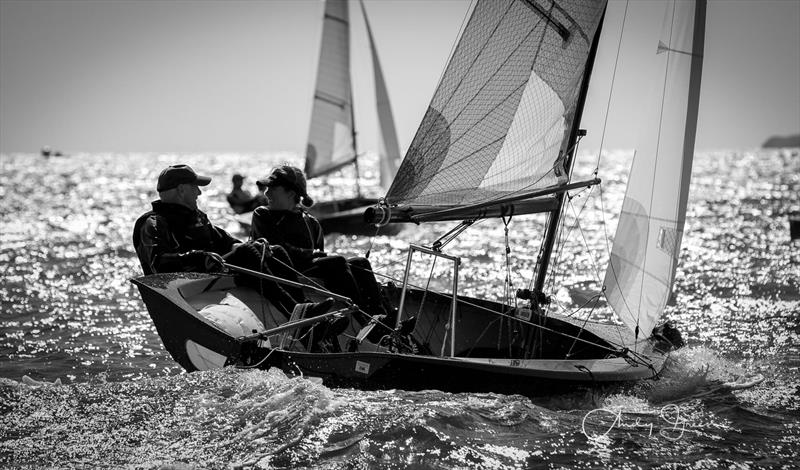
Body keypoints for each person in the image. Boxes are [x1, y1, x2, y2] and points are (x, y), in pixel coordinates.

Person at [132, 164, 341, 347]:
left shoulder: (197, 219)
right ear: (181, 190)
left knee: (271, 250)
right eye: (195, 188)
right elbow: (159, 263)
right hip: (187, 285)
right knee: (246, 252)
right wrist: (198, 256)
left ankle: (307, 313)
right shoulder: (154, 223)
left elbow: (229, 242)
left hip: (213, 273)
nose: (199, 193)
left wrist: (260, 245)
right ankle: (299, 315)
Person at [250, 165, 391, 328]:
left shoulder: (312, 222)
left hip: (308, 271)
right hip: (284, 271)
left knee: (361, 263)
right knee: (336, 262)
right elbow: (277, 249)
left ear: (291, 192)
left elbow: (319, 258)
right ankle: (364, 320)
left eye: (272, 188)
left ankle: (382, 317)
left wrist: (316, 255)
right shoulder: (262, 214)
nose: (266, 193)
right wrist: (313, 254)